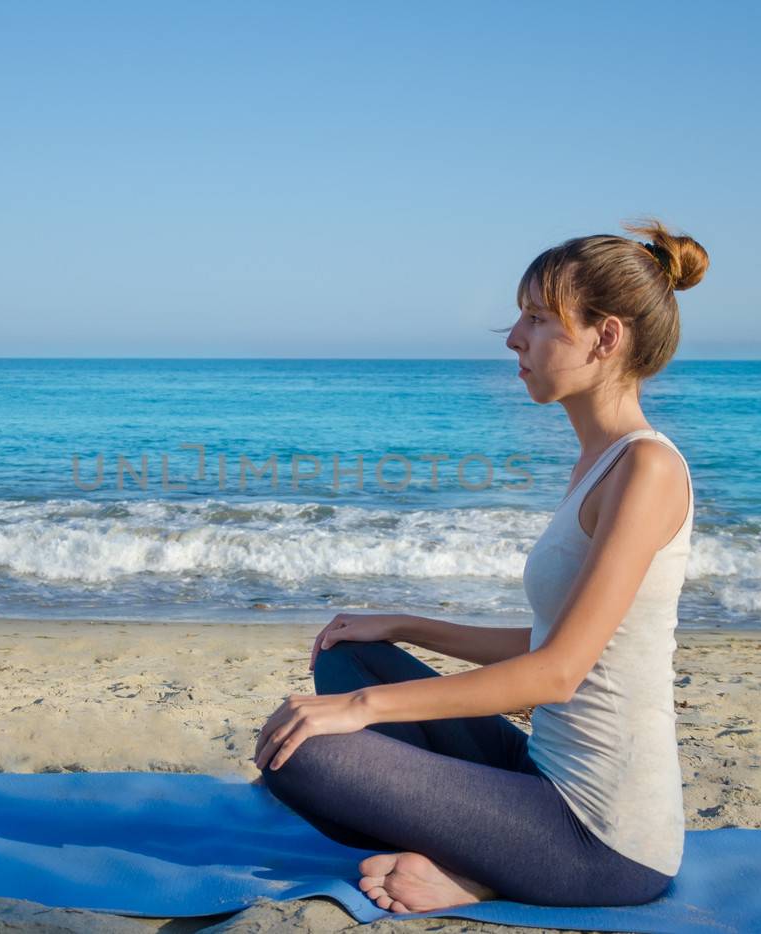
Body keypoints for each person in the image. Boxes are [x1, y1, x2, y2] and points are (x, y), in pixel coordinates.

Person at [251, 218, 707, 913]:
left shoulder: (646, 468)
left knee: (306, 751)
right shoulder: (599, 463)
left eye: (536, 319)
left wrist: (361, 710)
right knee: (348, 658)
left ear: (605, 337)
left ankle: (479, 873)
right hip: (539, 774)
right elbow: (552, 646)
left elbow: (556, 675)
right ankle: (480, 851)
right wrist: (403, 626)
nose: (514, 339)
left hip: (603, 840)